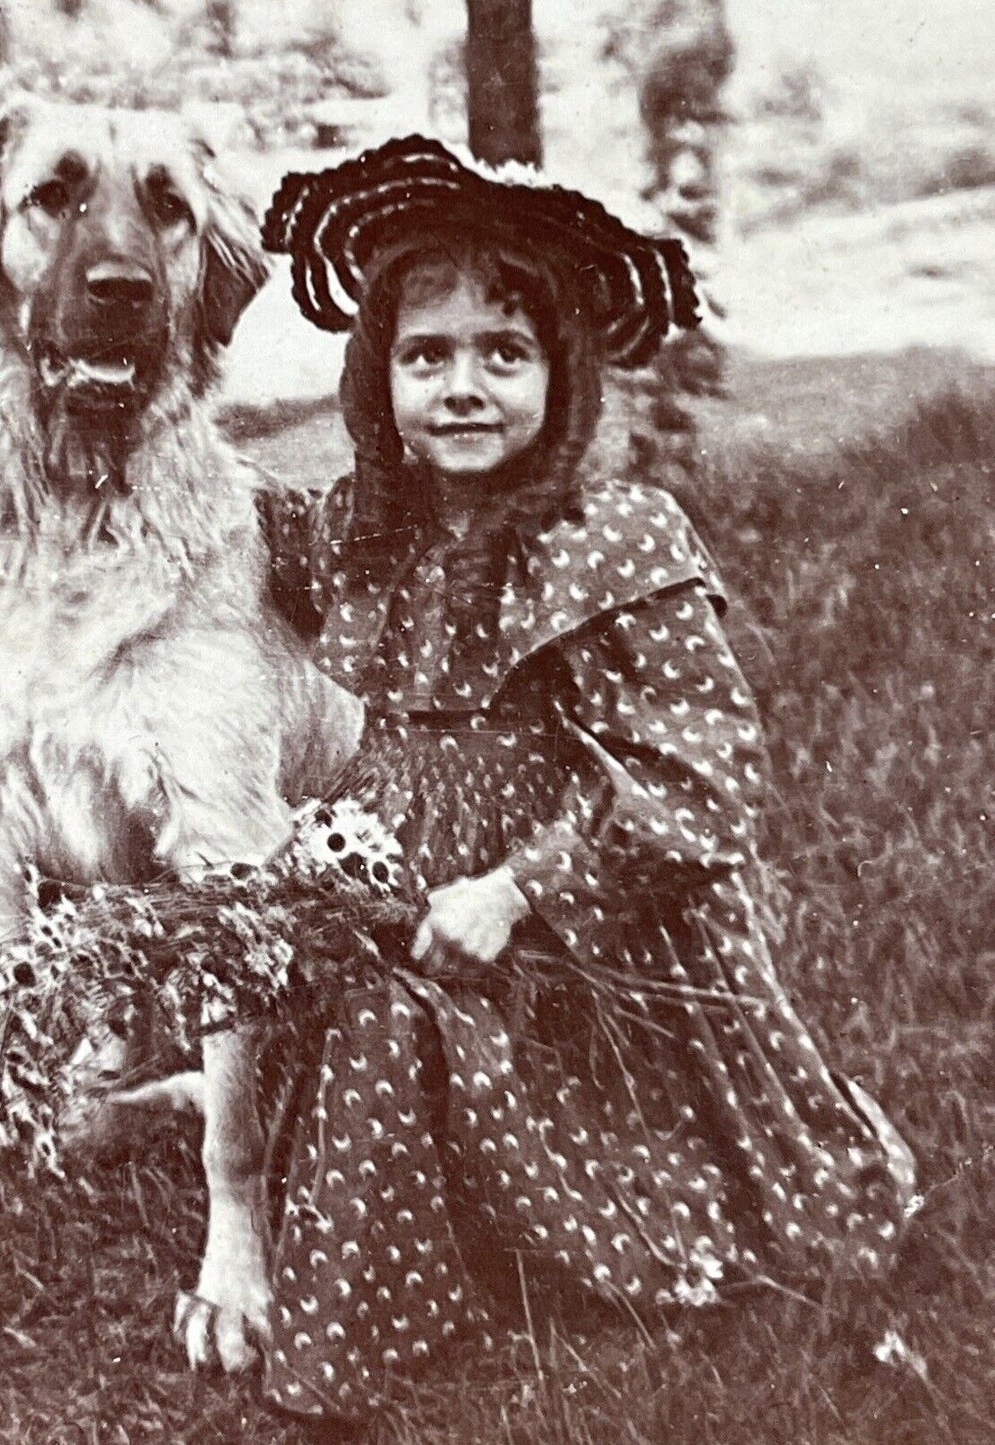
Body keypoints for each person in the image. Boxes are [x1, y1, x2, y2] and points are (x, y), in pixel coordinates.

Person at [243, 136, 917, 1420]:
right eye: (423, 355)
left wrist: (520, 884)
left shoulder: (610, 539)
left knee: (455, 1033)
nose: (461, 388)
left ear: (565, 374)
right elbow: (240, 531)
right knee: (377, 1006)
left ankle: (567, 1214)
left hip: (575, 936)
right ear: (373, 375)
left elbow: (696, 771)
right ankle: (409, 1269)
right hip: (400, 889)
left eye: (505, 354)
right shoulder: (362, 533)